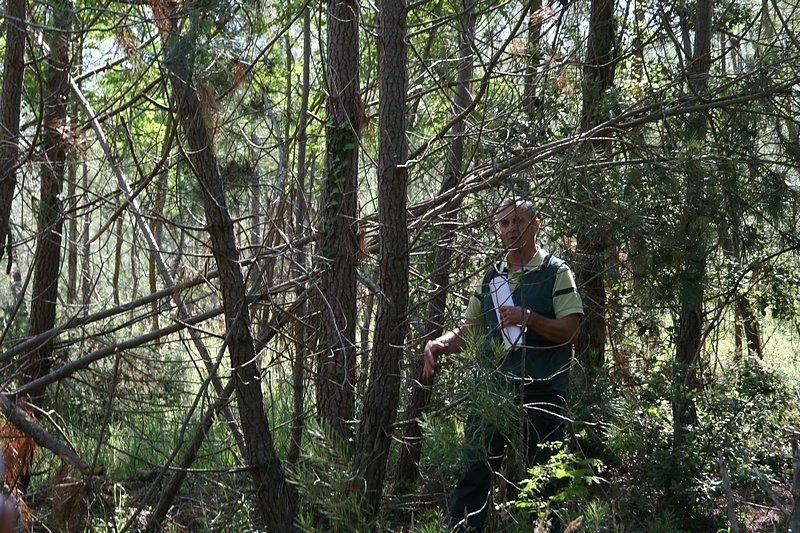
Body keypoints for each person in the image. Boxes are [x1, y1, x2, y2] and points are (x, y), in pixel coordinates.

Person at [423, 198, 584, 531]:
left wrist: (530, 318)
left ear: (535, 225)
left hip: (542, 392)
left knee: (545, 483)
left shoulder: (556, 272)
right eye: (504, 223)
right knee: (473, 474)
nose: (511, 229)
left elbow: (571, 330)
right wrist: (440, 344)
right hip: (493, 391)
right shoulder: (491, 276)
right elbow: (470, 331)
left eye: (518, 221)